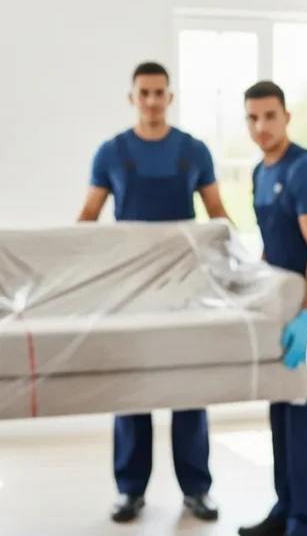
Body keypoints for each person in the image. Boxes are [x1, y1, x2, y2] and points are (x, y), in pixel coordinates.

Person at [78, 61, 229, 524]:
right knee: (131, 387)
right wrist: (85, 273)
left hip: (186, 288)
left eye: (159, 92)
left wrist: (234, 270)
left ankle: (197, 489)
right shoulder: (111, 153)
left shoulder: (194, 151)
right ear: (132, 98)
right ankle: (129, 490)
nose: (151, 100)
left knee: (189, 386)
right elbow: (88, 217)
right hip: (131, 290)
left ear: (170, 97)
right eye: (143, 93)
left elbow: (218, 215)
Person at [238, 80, 307, 536]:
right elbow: (271, 246)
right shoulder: (258, 173)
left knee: (303, 419)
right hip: (277, 311)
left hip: (305, 315)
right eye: (252, 118)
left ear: (286, 116)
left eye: (269, 116)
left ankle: (304, 519)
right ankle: (283, 508)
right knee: (280, 414)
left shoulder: (304, 169)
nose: (261, 126)